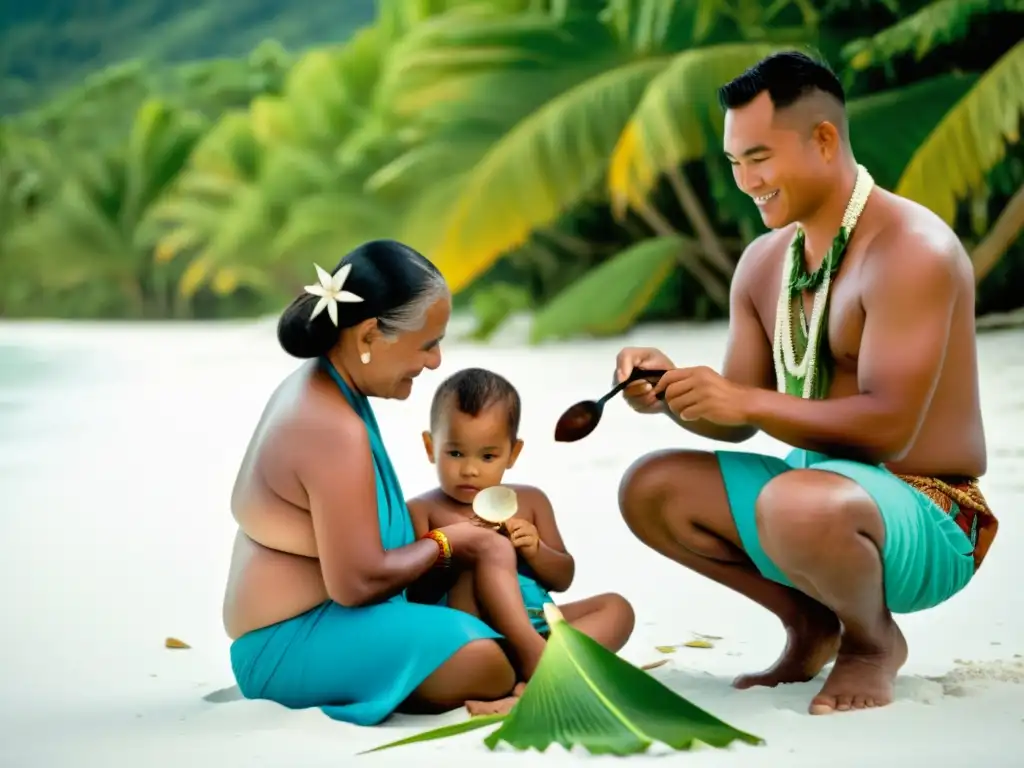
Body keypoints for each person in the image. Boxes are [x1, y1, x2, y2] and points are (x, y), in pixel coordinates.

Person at [614, 51, 997, 716]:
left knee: (796, 503)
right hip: (810, 497)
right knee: (651, 487)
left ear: (823, 140)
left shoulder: (912, 249)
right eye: (735, 163)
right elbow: (735, 415)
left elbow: (889, 426)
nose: (746, 180)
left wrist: (747, 401)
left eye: (758, 157)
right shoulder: (765, 263)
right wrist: (672, 394)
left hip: (928, 511)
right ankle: (811, 624)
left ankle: (872, 643)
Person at [222, 239, 528, 726]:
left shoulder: (329, 386)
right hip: (288, 644)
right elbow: (357, 581)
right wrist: (449, 541)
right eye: (428, 344)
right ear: (367, 337)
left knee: (512, 605)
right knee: (487, 662)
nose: (436, 363)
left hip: (330, 622)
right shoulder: (330, 424)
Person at [406, 367, 635, 710]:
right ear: (430, 446)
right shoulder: (423, 510)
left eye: (488, 456)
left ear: (512, 453)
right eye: (455, 453)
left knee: (617, 608)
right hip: (477, 638)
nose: (470, 469)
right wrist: (454, 549)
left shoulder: (529, 502)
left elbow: (563, 578)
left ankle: (535, 678)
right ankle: (545, 672)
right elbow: (414, 593)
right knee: (476, 556)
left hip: (542, 624)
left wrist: (535, 548)